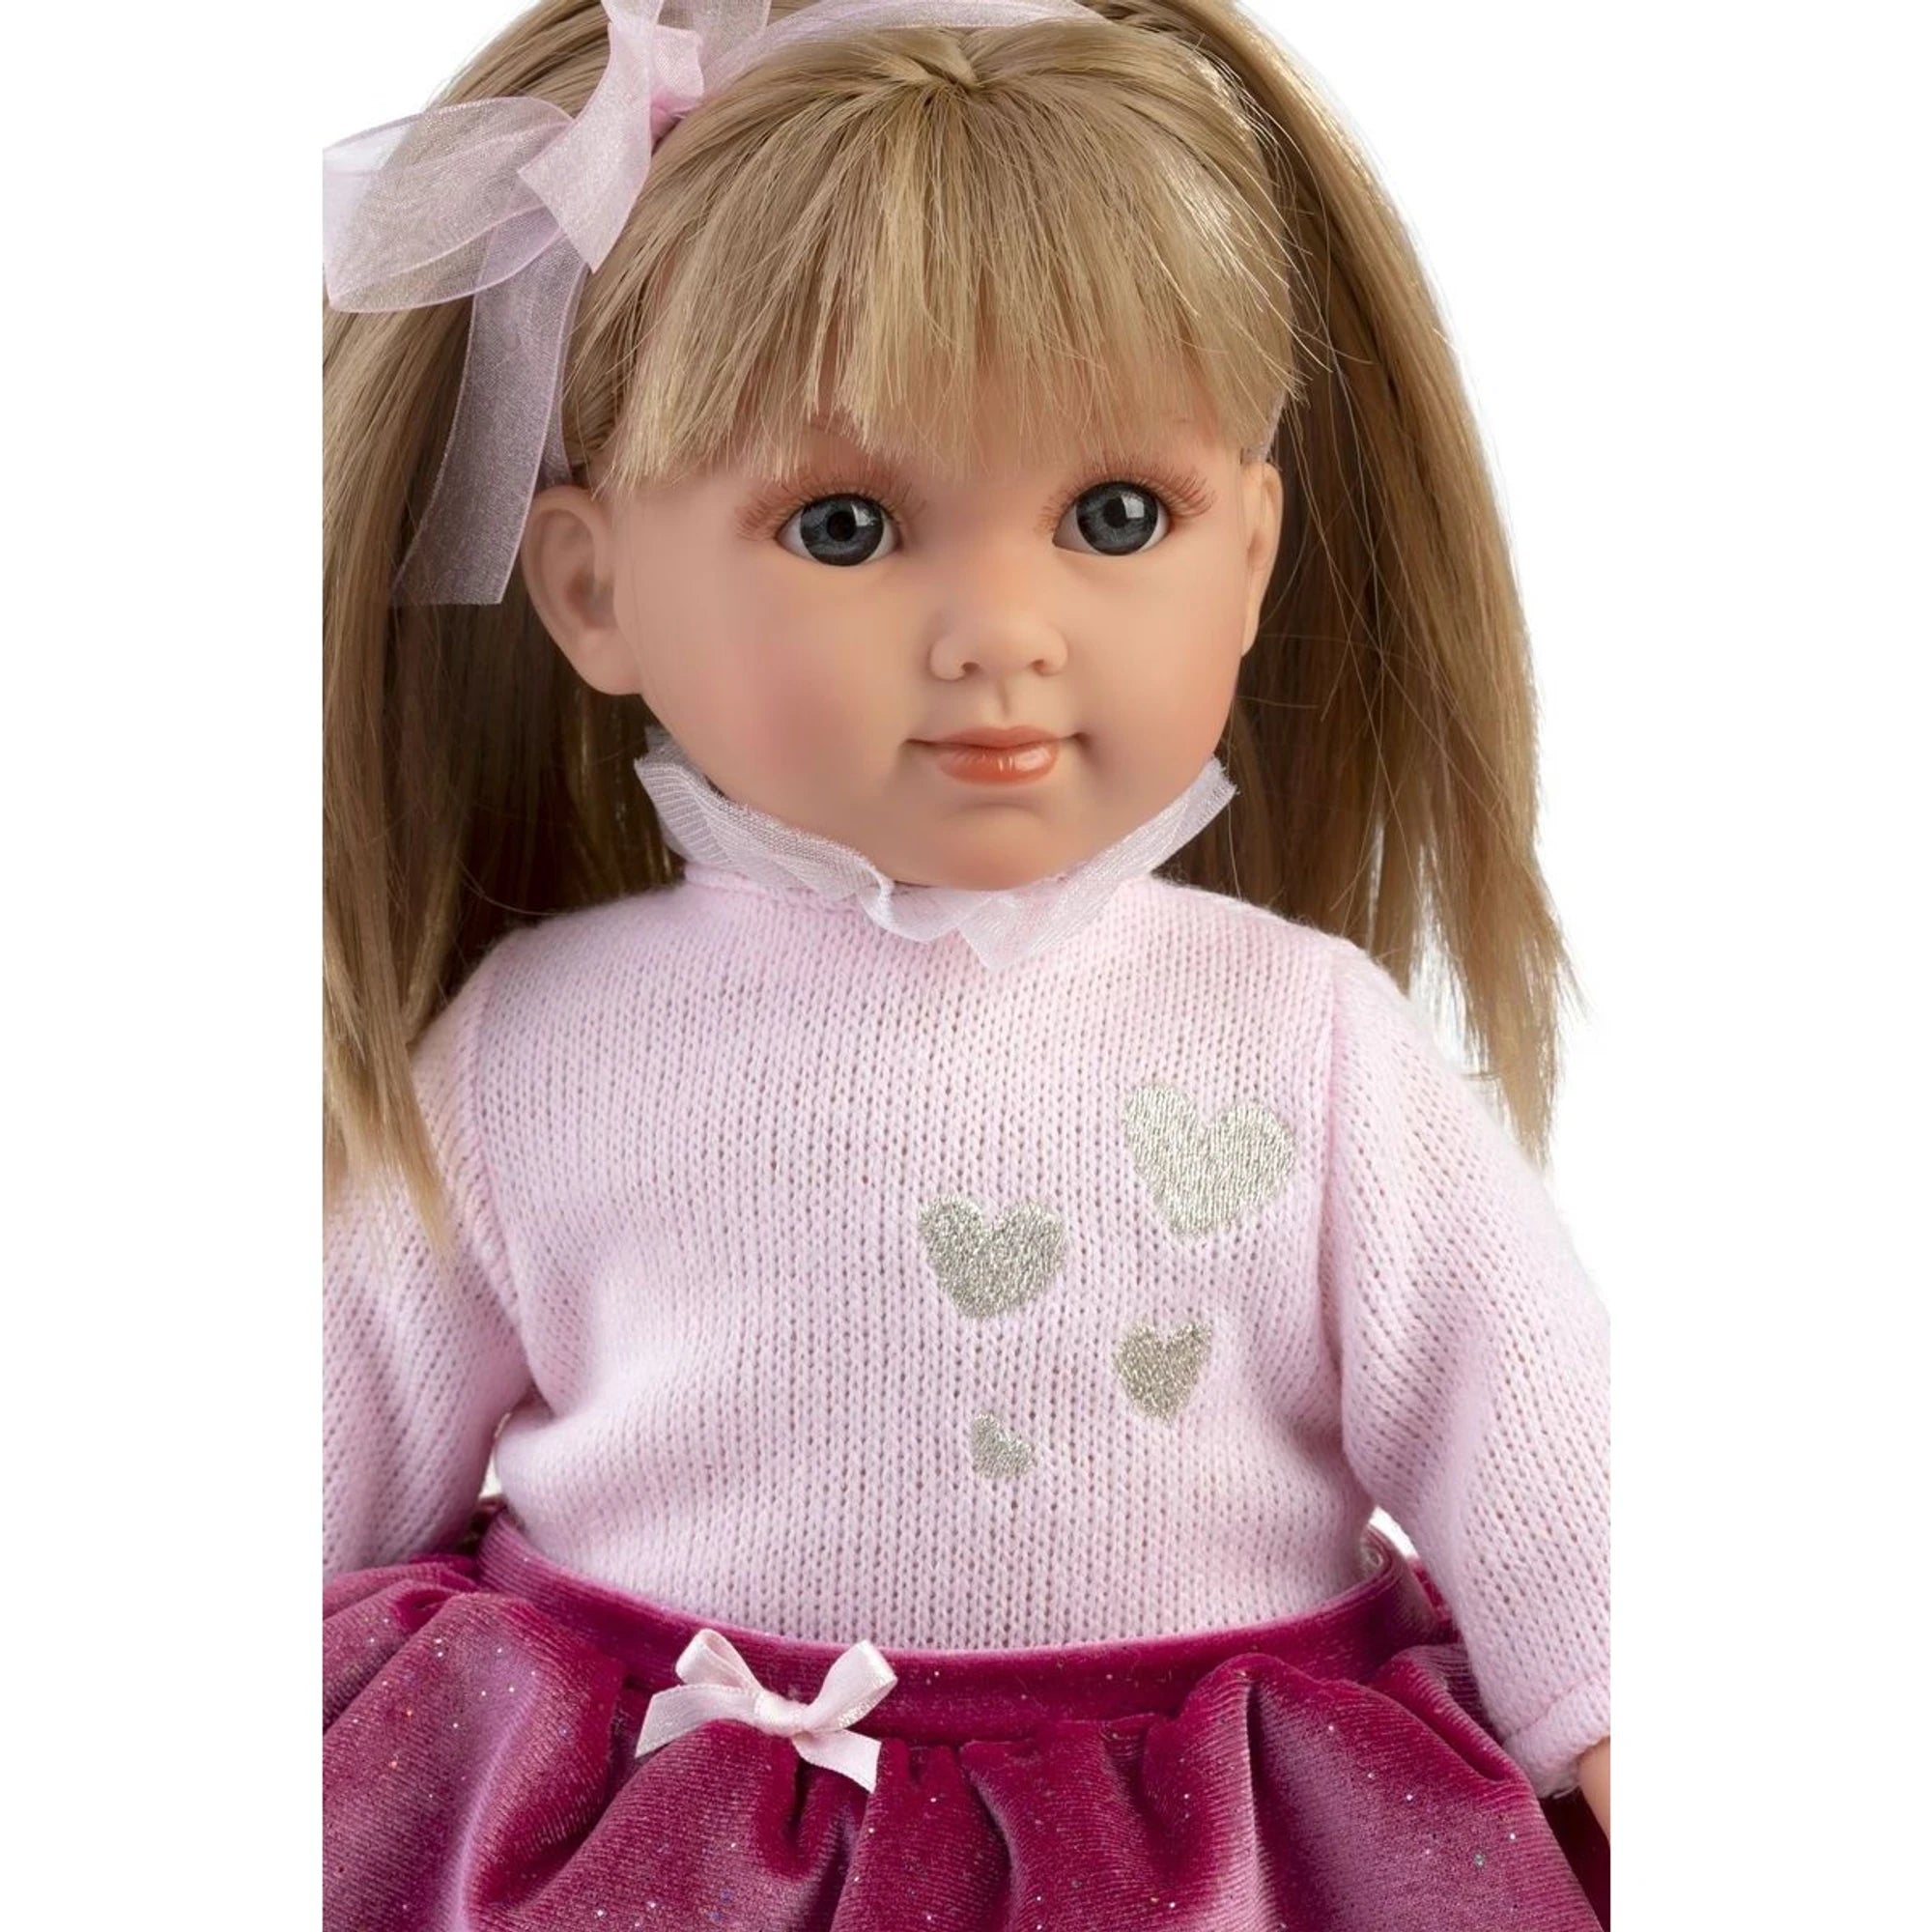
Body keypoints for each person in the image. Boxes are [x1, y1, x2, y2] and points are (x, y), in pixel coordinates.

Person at [322, 2, 1610, 1924]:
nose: (1001, 629)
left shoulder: (1305, 1042)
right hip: (672, 1840)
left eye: (1116, 517)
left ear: (1253, 553)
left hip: (1211, 1856)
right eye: (844, 526)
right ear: (593, 588)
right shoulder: (534, 1049)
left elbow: (1538, 1437)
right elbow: (325, 1429)